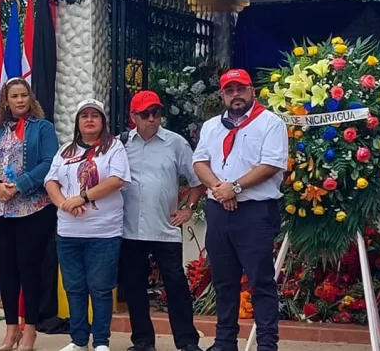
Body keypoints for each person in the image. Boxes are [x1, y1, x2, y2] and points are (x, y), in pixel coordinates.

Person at [192, 70, 288, 351]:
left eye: (241, 89)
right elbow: (200, 162)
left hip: (255, 212)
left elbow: (271, 164)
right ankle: (224, 342)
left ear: (252, 91)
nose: (236, 94)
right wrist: (221, 190)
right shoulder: (211, 126)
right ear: (222, 95)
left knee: (261, 280)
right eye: (229, 90)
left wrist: (233, 187)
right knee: (224, 280)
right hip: (219, 210)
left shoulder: (270, 123)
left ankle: (267, 344)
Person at [119, 91, 205, 351]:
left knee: (176, 286)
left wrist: (188, 209)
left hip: (165, 229)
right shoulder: (120, 144)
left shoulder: (176, 143)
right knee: (134, 288)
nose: (152, 119)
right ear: (133, 116)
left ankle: (187, 341)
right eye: (145, 114)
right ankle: (143, 341)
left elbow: (197, 181)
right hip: (129, 229)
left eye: (156, 112)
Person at [0, 77, 59, 351]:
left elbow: (50, 162)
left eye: (24, 95)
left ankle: (30, 331)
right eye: (15, 96)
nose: (20, 100)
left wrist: (20, 186)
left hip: (32, 209)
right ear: (6, 101)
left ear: (30, 98)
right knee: (7, 272)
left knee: (29, 270)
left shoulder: (43, 128)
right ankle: (11, 330)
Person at [45, 98, 131, 351]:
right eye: (84, 116)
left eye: (95, 115)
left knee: (101, 288)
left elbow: (117, 180)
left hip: (104, 232)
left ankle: (101, 341)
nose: (90, 120)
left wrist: (81, 198)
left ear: (103, 121)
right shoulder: (65, 150)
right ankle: (79, 340)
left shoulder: (113, 147)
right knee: (74, 288)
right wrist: (64, 204)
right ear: (78, 122)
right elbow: (51, 182)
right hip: (69, 232)